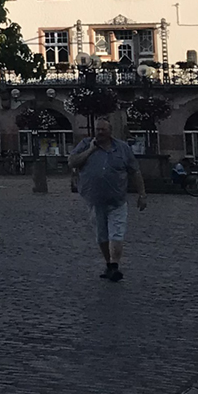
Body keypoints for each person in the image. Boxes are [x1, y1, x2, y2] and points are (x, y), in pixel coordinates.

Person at [72, 115, 145, 282]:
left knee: (116, 233)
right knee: (102, 235)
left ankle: (114, 265)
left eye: (103, 129)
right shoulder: (85, 144)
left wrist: (142, 194)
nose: (99, 132)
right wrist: (90, 150)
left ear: (110, 131)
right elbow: (72, 162)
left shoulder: (122, 148)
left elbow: (135, 171)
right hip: (94, 200)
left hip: (117, 200)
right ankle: (109, 263)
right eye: (97, 129)